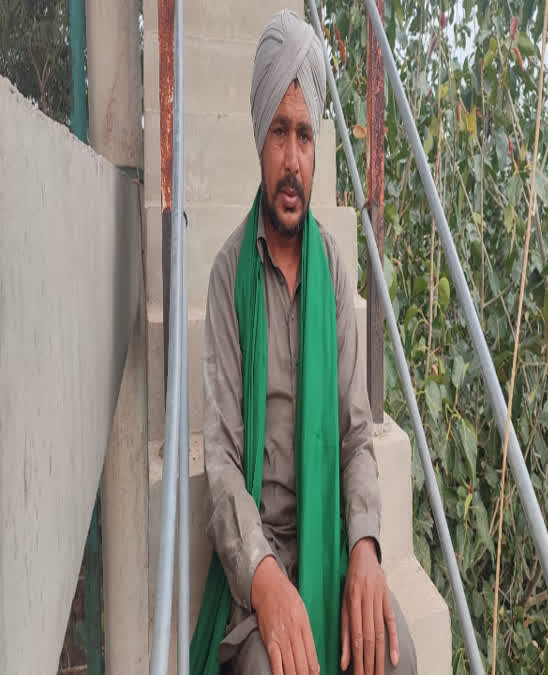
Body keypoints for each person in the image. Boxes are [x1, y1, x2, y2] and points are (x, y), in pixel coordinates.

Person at [190, 10, 417, 675]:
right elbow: (225, 460)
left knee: (397, 657)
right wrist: (262, 575)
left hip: (332, 531)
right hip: (263, 551)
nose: (293, 160)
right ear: (261, 138)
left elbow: (355, 435)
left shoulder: (334, 269)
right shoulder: (229, 277)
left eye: (307, 137)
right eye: (281, 134)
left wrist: (366, 547)